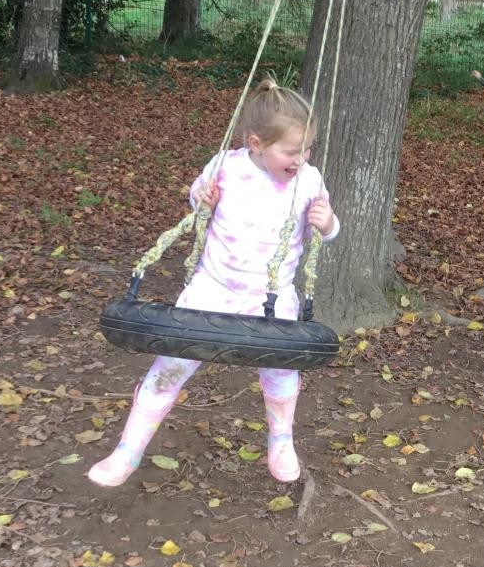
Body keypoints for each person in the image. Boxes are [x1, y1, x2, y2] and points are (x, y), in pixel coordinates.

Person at [88, 79, 340, 488]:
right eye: (292, 151)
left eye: (307, 149)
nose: (302, 158)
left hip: (272, 298)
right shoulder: (228, 164)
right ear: (256, 143)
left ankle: (280, 439)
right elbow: (197, 198)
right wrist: (202, 197)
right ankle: (126, 451)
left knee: (281, 373)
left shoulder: (308, 180)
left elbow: (330, 229)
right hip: (212, 288)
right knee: (169, 368)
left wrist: (326, 223)